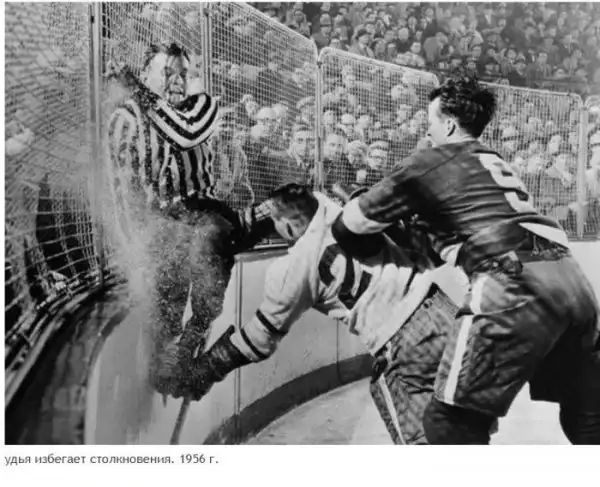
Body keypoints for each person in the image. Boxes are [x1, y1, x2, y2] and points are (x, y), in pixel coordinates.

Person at [330, 74, 600, 445]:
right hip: (572, 281)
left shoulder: (429, 161)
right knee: (588, 415)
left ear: (449, 125)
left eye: (431, 123)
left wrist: (369, 220)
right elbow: (453, 236)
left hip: (512, 282)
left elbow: (347, 227)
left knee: (448, 422)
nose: (428, 132)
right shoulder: (493, 161)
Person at [161, 183, 461, 445]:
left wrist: (205, 371)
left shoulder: (292, 269)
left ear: (289, 227)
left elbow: (259, 340)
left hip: (401, 343)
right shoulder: (335, 207)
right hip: (443, 312)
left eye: (275, 223)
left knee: (425, 445)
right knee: (464, 427)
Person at [106, 42, 273, 394]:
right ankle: (171, 349)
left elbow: (186, 133)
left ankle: (192, 338)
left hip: (196, 213)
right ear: (146, 74)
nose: (177, 81)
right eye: (167, 73)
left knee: (213, 237)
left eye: (183, 74)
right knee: (176, 246)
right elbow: (122, 192)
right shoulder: (126, 119)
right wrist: (132, 249)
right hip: (157, 225)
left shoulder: (200, 108)